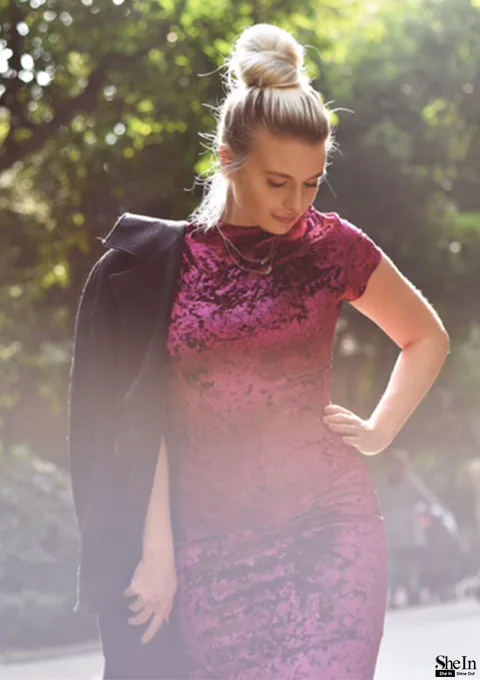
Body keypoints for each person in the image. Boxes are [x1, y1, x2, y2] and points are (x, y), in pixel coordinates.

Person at [68, 23, 450, 680]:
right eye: (278, 182)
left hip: (329, 537)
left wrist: (379, 430)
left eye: (312, 183)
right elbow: (146, 417)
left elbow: (426, 337)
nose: (296, 204)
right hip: (210, 554)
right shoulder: (166, 266)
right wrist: (157, 551)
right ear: (227, 159)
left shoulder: (334, 247)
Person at [377, 450, 441, 606]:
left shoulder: (386, 484)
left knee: (398, 565)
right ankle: (409, 593)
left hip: (395, 531)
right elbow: (429, 500)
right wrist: (430, 512)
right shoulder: (410, 482)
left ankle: (399, 594)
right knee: (406, 565)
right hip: (406, 531)